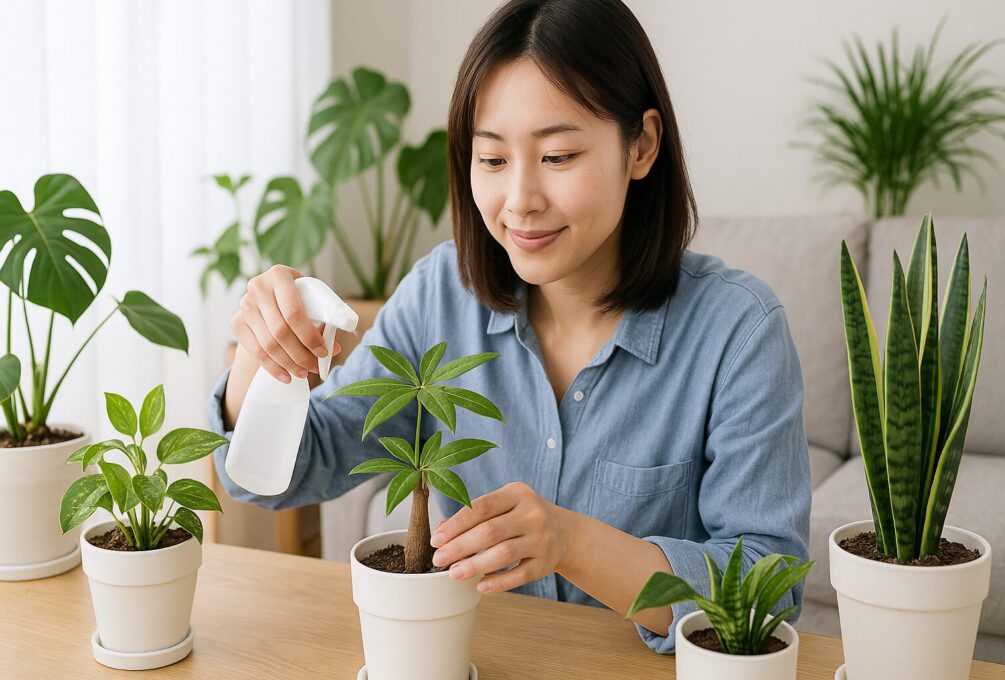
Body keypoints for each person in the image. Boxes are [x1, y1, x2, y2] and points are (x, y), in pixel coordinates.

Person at [207, 0, 810, 655]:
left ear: (641, 145)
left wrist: (573, 542)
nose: (519, 199)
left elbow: (767, 594)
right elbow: (290, 470)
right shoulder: (442, 295)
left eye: (557, 155)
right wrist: (259, 354)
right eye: (491, 160)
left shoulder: (739, 332)